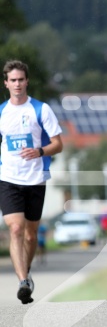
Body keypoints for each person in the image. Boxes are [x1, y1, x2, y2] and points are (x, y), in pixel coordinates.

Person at [0, 60, 63, 304]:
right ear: (6, 83)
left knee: (30, 234)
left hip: (35, 178)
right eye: (12, 80)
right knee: (15, 229)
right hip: (8, 178)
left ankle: (26, 274)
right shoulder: (2, 112)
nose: (17, 84)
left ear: (27, 81)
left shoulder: (41, 109)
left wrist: (39, 151)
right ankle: (23, 280)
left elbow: (58, 144)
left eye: (20, 79)